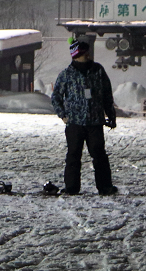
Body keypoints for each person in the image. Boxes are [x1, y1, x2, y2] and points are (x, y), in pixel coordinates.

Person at [50, 38, 118, 195]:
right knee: (73, 156)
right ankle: (71, 188)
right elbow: (56, 97)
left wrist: (111, 115)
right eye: (84, 53)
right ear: (76, 55)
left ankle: (105, 187)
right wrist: (63, 115)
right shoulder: (66, 74)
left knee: (99, 155)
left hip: (95, 122)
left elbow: (107, 94)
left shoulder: (98, 71)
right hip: (74, 123)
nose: (88, 55)